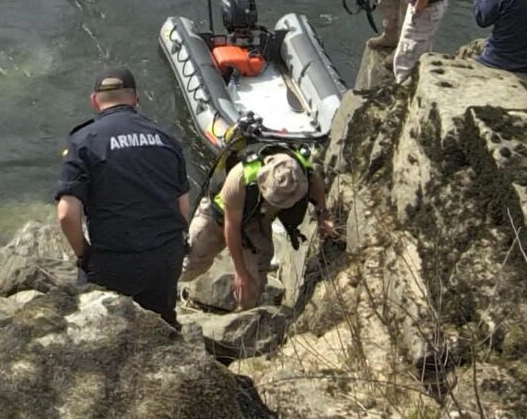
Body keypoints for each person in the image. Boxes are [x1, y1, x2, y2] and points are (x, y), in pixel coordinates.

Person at [55, 67, 189, 328]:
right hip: (165, 257)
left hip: (114, 259)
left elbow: (66, 214)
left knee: (95, 329)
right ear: (136, 98)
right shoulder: (166, 139)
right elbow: (183, 208)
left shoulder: (84, 141)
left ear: (94, 101)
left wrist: (84, 255)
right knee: (161, 327)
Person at [182, 145, 334, 311]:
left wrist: (323, 216)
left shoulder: (298, 172)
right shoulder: (239, 178)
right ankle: (168, 291)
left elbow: (315, 182)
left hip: (258, 221)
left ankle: (246, 313)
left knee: (252, 286)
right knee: (188, 263)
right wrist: (240, 272)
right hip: (219, 217)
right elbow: (231, 228)